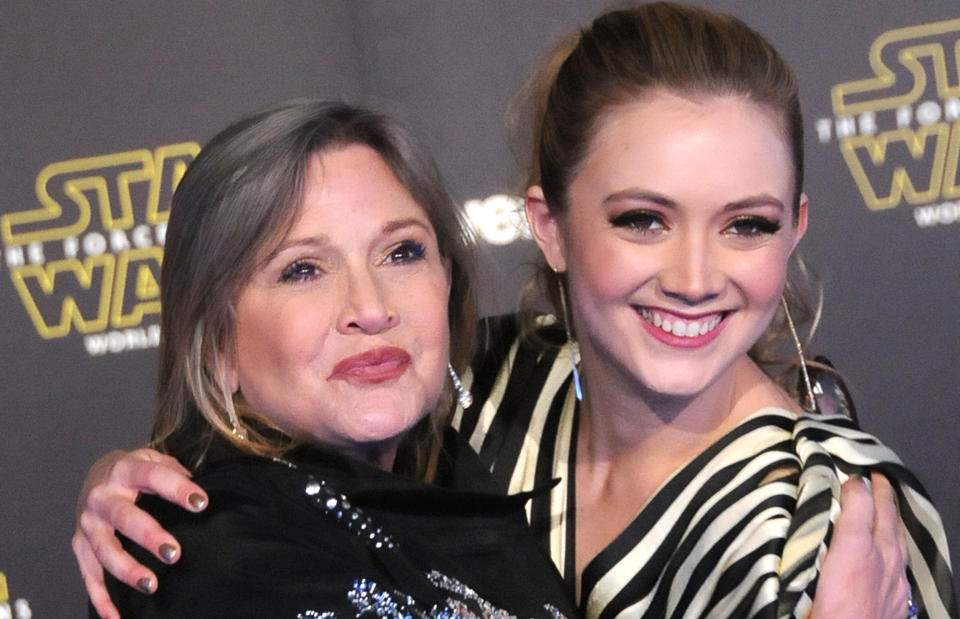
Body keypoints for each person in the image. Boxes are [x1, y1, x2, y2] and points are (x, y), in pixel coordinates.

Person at [73, 4, 953, 619]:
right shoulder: (481, 389)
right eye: (642, 219)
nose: (695, 275)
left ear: (794, 230)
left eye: (746, 224)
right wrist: (136, 474)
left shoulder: (834, 513)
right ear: (551, 227)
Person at [87, 99, 577, 618]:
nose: (370, 308)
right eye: (302, 270)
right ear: (215, 341)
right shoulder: (221, 555)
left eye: (401, 252)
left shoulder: (452, 469)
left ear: (448, 283)